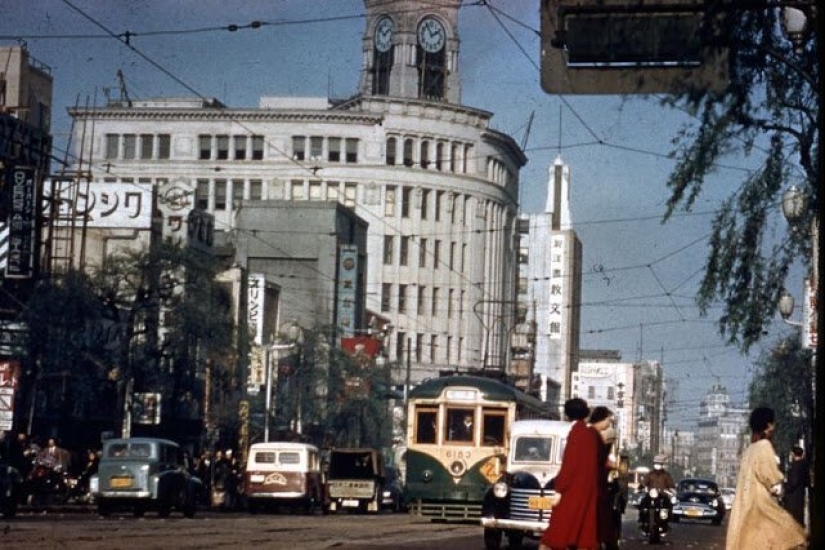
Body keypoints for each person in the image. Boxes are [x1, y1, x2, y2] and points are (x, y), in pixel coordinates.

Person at [726, 406, 807, 550]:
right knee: (790, 534)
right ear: (768, 425)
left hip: (745, 507)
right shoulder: (764, 446)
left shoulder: (750, 449)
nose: (774, 427)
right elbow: (770, 477)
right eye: (773, 424)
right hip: (760, 505)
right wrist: (778, 485)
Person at [539, 398, 600, 550]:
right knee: (583, 533)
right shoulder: (591, 434)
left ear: (567, 414)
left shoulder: (576, 433)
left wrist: (559, 489)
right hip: (588, 489)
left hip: (572, 490)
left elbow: (569, 465)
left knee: (555, 532)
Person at [589, 406, 621, 550]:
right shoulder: (595, 436)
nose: (609, 423)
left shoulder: (594, 435)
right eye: (608, 420)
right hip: (595, 486)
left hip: (599, 485)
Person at [783, 445, 809, 528]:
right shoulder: (804, 465)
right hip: (800, 495)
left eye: (791, 454)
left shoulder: (795, 466)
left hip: (793, 497)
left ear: (793, 454)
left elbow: (794, 482)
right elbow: (806, 482)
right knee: (799, 518)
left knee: (793, 520)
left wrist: (785, 487)